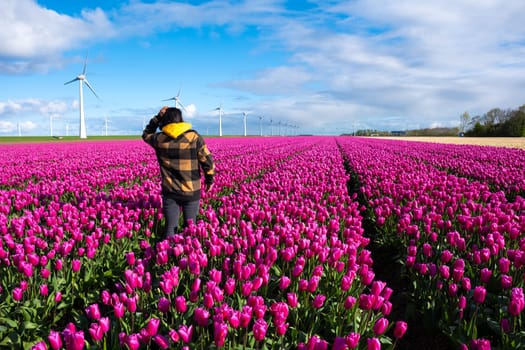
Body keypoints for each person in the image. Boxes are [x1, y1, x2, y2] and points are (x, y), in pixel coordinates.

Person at [143, 106, 215, 237]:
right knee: (191, 227)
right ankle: (189, 255)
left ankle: (168, 253)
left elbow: (146, 134)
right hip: (191, 190)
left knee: (170, 228)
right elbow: (207, 160)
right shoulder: (193, 137)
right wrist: (209, 179)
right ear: (181, 120)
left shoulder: (159, 139)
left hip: (170, 191)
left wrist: (157, 117)